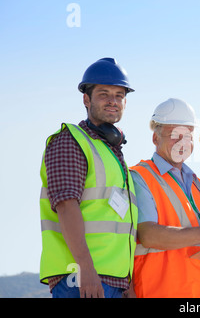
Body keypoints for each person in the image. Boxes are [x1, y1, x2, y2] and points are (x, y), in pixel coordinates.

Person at [39, 58, 138, 298]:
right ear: (86, 99)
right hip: (81, 278)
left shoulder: (113, 154)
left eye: (119, 95)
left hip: (113, 281)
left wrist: (127, 283)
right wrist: (85, 268)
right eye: (104, 94)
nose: (113, 101)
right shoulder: (71, 140)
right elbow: (66, 206)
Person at [130, 99, 200, 298]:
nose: (182, 143)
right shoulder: (140, 177)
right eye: (175, 136)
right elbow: (148, 235)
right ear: (155, 138)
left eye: (187, 136)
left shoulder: (197, 184)